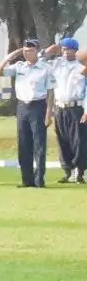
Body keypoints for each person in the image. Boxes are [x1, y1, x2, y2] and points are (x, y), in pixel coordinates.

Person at [0, 39, 54, 188]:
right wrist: (9, 57)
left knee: (39, 145)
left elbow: (50, 93)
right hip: (22, 107)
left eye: (31, 50)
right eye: (25, 51)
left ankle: (39, 180)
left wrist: (48, 113)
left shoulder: (45, 68)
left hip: (38, 106)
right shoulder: (19, 66)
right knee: (24, 144)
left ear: (37, 51)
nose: (28, 53)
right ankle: (26, 180)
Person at [46, 38, 84, 182]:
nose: (67, 52)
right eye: (64, 49)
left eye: (70, 49)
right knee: (62, 140)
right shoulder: (56, 64)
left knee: (78, 140)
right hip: (60, 107)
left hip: (76, 107)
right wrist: (50, 49)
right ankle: (67, 170)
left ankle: (79, 171)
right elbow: (39, 61)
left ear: (76, 50)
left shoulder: (80, 65)